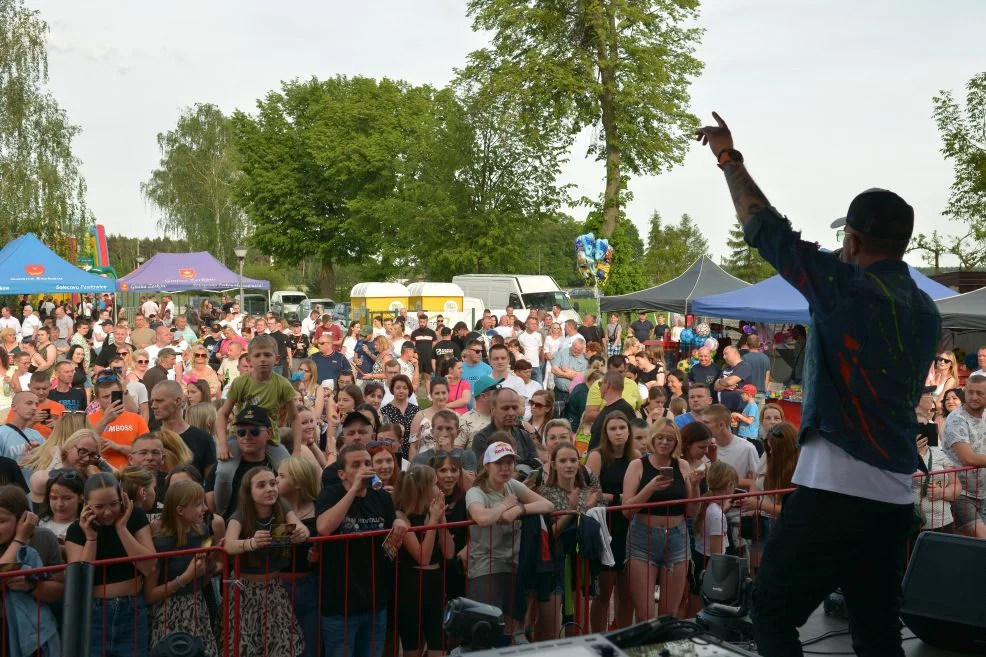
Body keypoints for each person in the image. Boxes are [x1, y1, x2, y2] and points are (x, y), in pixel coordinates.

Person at [696, 113, 941, 656]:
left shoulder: (846, 287)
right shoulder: (927, 310)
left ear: (851, 240)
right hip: (895, 496)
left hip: (836, 489)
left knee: (771, 612)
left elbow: (766, 229)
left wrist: (729, 160)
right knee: (877, 628)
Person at [317, 444, 409, 657]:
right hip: (341, 605)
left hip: (375, 602)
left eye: (367, 463)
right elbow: (323, 528)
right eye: (356, 465)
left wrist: (398, 527)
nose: (364, 468)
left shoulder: (381, 497)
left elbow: (389, 549)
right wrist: (353, 490)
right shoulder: (331, 494)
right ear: (342, 473)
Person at [465, 441, 554, 633]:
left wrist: (520, 509)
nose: (505, 468)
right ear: (487, 465)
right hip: (485, 568)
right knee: (486, 628)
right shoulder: (476, 492)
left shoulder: (512, 485)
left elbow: (548, 505)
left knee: (512, 627)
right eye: (499, 463)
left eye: (509, 463)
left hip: (513, 565)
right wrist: (505, 506)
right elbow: (481, 517)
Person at [65, 472, 156, 656]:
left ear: (122, 497)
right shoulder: (76, 530)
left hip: (132, 611)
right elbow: (80, 580)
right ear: (86, 504)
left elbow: (148, 566)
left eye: (114, 504)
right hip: (95, 614)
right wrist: (91, 538)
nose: (107, 512)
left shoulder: (136, 517)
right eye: (99, 506)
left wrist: (122, 528)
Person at [224, 466, 308, 657]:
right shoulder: (241, 515)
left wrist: (300, 533)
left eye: (273, 483)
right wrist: (251, 542)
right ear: (249, 491)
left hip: (274, 589)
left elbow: (302, 529)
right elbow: (228, 545)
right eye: (261, 485)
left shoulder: (282, 507)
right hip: (244, 590)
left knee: (282, 646)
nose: (270, 489)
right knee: (243, 647)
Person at [622, 420, 698, 619]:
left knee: (669, 613)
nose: (664, 442)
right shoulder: (637, 465)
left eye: (670, 439)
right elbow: (627, 511)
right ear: (652, 439)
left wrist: (696, 486)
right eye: (660, 438)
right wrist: (650, 488)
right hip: (643, 539)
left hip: (677, 538)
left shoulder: (682, 465)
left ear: (676, 443)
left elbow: (691, 510)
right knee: (645, 613)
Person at [145, 478, 222, 657]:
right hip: (167, 615)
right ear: (179, 510)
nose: (204, 508)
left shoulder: (202, 532)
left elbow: (201, 582)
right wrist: (185, 577)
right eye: (197, 504)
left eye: (204, 502)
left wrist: (211, 561)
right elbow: (149, 595)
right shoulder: (159, 542)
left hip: (198, 609)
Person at [535, 441, 602, 640]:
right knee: (550, 628)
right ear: (553, 464)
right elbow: (550, 534)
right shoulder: (543, 493)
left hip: (581, 563)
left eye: (573, 460)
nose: (569, 465)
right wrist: (573, 510)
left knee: (579, 623)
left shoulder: (587, 491)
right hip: (554, 563)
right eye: (563, 460)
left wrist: (587, 507)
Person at [395, 464, 456, 657]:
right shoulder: (401, 516)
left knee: (439, 648)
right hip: (411, 587)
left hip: (435, 586)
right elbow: (423, 557)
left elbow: (449, 553)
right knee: (412, 649)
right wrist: (432, 522)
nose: (438, 489)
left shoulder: (433, 512)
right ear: (424, 488)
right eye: (434, 484)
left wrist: (441, 519)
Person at [584, 412, 637, 632]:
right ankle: (598, 637)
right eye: (613, 429)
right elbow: (590, 493)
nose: (618, 433)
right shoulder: (597, 456)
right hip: (604, 524)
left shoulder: (635, 456)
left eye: (622, 428)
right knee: (604, 591)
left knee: (627, 591)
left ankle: (623, 637)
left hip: (629, 525)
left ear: (628, 431)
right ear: (605, 433)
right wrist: (617, 498)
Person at [0, 484, 65, 656]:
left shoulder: (44, 538)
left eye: (1, 521)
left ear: (23, 518)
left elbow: (59, 590)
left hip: (34, 637)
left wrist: (32, 586)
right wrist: (20, 539)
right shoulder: (21, 539)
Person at [216, 335, 298, 459]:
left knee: (287, 470)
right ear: (249, 360)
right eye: (257, 355)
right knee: (224, 472)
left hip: (269, 438)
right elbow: (223, 414)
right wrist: (223, 444)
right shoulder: (240, 382)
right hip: (240, 436)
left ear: (276, 359)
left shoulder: (283, 384)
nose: (262, 359)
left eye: (267, 355)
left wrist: (297, 450)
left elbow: (295, 417)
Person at [206, 406, 291, 521]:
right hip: (234, 533)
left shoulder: (279, 467)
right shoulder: (222, 467)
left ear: (269, 433)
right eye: (241, 432)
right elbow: (213, 508)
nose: (247, 437)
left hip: (273, 532)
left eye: (254, 432)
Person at [275, 456, 322, 657]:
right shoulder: (271, 509)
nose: (275, 480)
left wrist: (319, 552)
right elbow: (275, 552)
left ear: (298, 483)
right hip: (279, 586)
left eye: (281, 476)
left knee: (310, 647)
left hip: (312, 586)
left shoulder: (320, 509)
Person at [942, 374, 986, 538]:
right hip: (961, 493)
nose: (974, 397)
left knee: (973, 549)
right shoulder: (957, 419)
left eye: (980, 393)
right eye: (970, 392)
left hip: (982, 492)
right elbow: (968, 458)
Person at [151, 381, 217, 481]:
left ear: (177, 401)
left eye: (159, 401)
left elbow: (210, 484)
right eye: (152, 401)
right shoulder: (151, 439)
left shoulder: (202, 439)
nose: (153, 406)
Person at [471, 388, 541, 469]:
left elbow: (535, 467)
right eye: (505, 408)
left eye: (514, 408)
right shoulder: (482, 438)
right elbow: (483, 472)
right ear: (493, 410)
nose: (511, 413)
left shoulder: (525, 436)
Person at [587, 371, 638, 451]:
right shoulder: (607, 408)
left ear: (607, 385)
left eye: (600, 384)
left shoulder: (624, 409)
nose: (599, 388)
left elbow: (631, 438)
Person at [0, 392, 45, 472]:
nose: (34, 408)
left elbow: (46, 462)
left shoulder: (36, 435)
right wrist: (21, 464)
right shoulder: (2, 434)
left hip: (31, 483)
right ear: (14, 406)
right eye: (29, 403)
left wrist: (38, 457)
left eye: (36, 404)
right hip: (11, 484)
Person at [381, 374, 420, 460]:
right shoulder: (385, 411)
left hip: (413, 452)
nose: (401, 391)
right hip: (393, 454)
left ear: (409, 390)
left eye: (405, 388)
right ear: (392, 389)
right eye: (398, 388)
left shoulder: (415, 410)